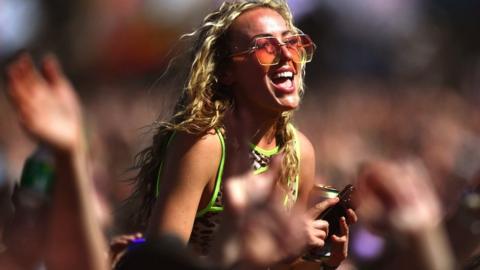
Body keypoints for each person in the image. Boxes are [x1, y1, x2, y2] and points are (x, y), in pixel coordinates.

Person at [126, 0, 357, 268]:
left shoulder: (299, 151)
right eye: (266, 47)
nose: (286, 55)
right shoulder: (205, 145)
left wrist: (320, 259)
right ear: (226, 72)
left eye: (291, 42)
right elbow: (158, 263)